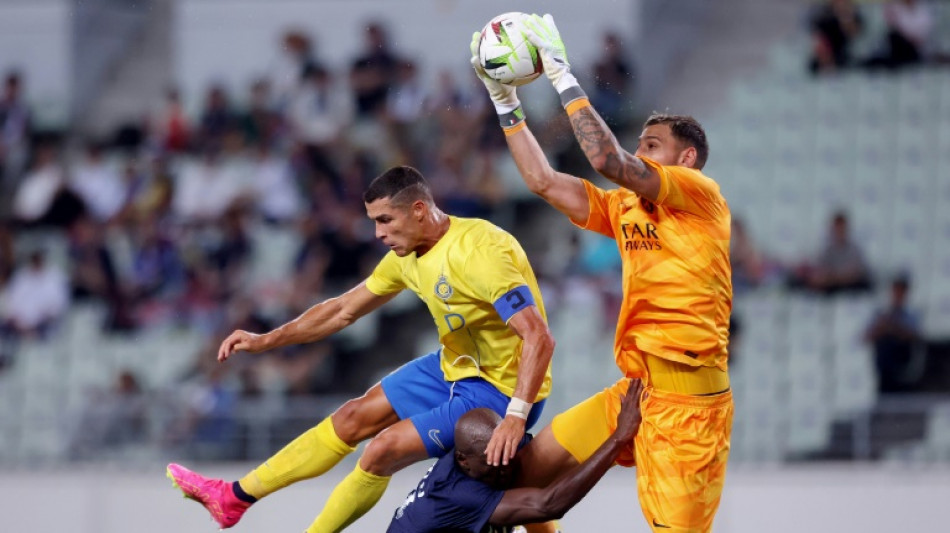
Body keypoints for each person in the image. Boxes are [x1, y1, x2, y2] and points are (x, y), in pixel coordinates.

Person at [167, 166, 555, 532]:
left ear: (419, 210)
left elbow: (539, 337)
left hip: (502, 389)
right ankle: (232, 497)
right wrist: (266, 339)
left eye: (385, 220)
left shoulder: (480, 253)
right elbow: (341, 311)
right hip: (455, 366)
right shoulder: (406, 257)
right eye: (373, 222)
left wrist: (516, 417)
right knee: (352, 417)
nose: (377, 234)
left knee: (380, 450)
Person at [471, 14, 734, 532]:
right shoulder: (625, 208)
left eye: (651, 145)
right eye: (640, 144)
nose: (640, 152)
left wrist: (562, 75)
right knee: (521, 474)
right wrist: (506, 104)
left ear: (687, 159)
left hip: (691, 408)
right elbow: (544, 182)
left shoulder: (702, 198)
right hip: (636, 391)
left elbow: (609, 160)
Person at [388, 379, 644, 532]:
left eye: (507, 457)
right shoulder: (460, 494)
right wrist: (618, 438)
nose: (505, 470)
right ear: (463, 461)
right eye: (494, 467)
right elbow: (548, 505)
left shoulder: (487, 448)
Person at [865, 275, 923, 393]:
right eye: (896, 291)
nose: (898, 295)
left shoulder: (912, 314)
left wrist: (893, 327)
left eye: (901, 291)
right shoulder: (881, 314)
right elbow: (867, 337)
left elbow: (914, 337)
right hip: (884, 367)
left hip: (902, 361)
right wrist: (884, 327)